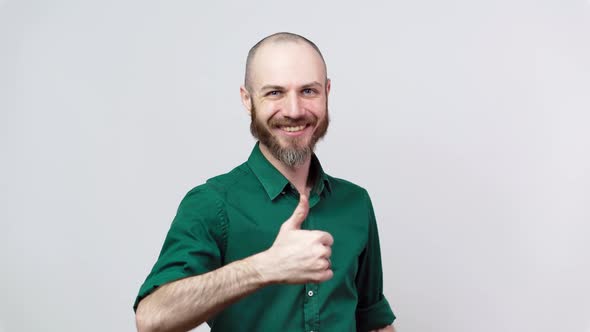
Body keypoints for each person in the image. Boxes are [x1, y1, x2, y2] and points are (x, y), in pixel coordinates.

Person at [134, 32, 397, 332]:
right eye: (275, 93)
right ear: (247, 99)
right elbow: (151, 319)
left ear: (327, 91)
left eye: (308, 91)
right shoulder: (212, 203)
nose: (295, 110)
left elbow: (373, 321)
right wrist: (264, 267)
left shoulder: (355, 203)